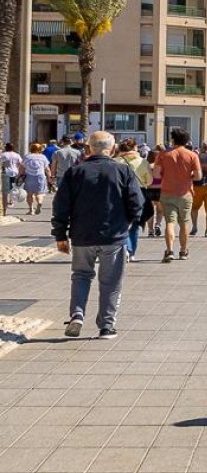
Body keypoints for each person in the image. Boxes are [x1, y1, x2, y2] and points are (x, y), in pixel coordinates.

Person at [51, 131, 144, 339]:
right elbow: (137, 203)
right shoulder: (123, 171)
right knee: (111, 281)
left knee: (81, 275)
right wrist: (127, 223)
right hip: (114, 235)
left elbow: (61, 206)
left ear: (88, 149)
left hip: (82, 236)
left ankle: (77, 314)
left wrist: (60, 234)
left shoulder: (75, 173)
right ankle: (107, 326)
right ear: (112, 149)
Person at [151, 129, 202, 262]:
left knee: (170, 222)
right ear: (187, 141)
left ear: (172, 140)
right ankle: (183, 251)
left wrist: (166, 176)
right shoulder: (192, 155)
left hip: (167, 192)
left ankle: (169, 251)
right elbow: (198, 176)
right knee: (184, 222)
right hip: (185, 193)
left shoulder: (163, 155)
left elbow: (156, 174)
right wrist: (188, 176)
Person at [19, 142, 48, 215]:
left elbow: (22, 167)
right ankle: (40, 202)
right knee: (39, 193)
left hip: (29, 176)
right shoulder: (43, 157)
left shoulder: (27, 157)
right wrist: (50, 177)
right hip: (40, 176)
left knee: (29, 194)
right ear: (40, 149)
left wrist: (20, 175)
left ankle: (31, 210)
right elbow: (47, 168)